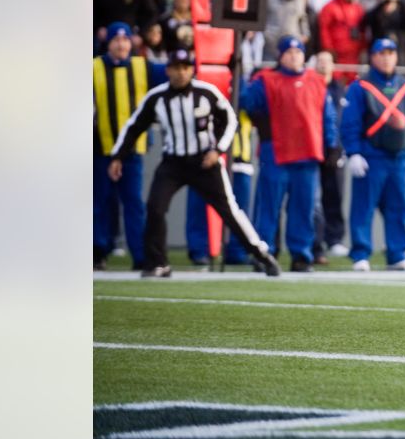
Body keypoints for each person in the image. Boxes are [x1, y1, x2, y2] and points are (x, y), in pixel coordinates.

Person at [107, 48, 281, 278]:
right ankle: (158, 263)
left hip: (204, 162)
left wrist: (217, 150)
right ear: (168, 70)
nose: (180, 73)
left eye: (185, 68)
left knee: (229, 211)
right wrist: (118, 156)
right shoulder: (157, 97)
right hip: (173, 163)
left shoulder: (206, 92)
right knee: (155, 207)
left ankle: (262, 255)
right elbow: (134, 126)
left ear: (192, 70)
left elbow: (230, 120)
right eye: (176, 68)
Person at [341, 38, 405, 271]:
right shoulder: (360, 87)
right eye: (381, 54)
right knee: (363, 207)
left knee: (399, 206)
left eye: (390, 53)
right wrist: (353, 152)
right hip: (370, 154)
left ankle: (397, 253)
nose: (386, 58)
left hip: (399, 156)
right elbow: (350, 122)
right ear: (373, 57)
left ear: (396, 57)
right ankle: (361, 254)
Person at [243, 36, 339, 272]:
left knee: (303, 209)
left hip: (308, 154)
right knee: (268, 208)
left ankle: (301, 255)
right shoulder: (266, 80)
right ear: (280, 56)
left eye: (298, 52)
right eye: (289, 52)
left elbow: (327, 117)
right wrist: (245, 78)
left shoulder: (317, 81)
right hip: (276, 152)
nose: (294, 56)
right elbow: (246, 101)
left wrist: (332, 145)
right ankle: (264, 253)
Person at [93, 22, 166, 270]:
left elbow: (174, 73)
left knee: (133, 202)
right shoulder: (94, 68)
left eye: (125, 40)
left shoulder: (143, 66)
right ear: (108, 43)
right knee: (99, 202)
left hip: (132, 150)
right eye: (116, 40)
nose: (121, 44)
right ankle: (96, 251)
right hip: (100, 147)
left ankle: (141, 254)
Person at [184, 108, 258, 266]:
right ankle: (200, 250)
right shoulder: (203, 87)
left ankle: (237, 250)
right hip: (204, 154)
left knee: (237, 208)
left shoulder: (246, 82)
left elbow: (252, 105)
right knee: (200, 204)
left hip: (239, 153)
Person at [313, 51, 348, 258]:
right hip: (314, 148)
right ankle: (315, 242)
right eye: (320, 61)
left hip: (335, 149)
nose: (324, 65)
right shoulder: (309, 85)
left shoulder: (340, 89)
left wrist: (339, 147)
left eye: (327, 61)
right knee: (314, 200)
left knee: (335, 195)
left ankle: (334, 238)